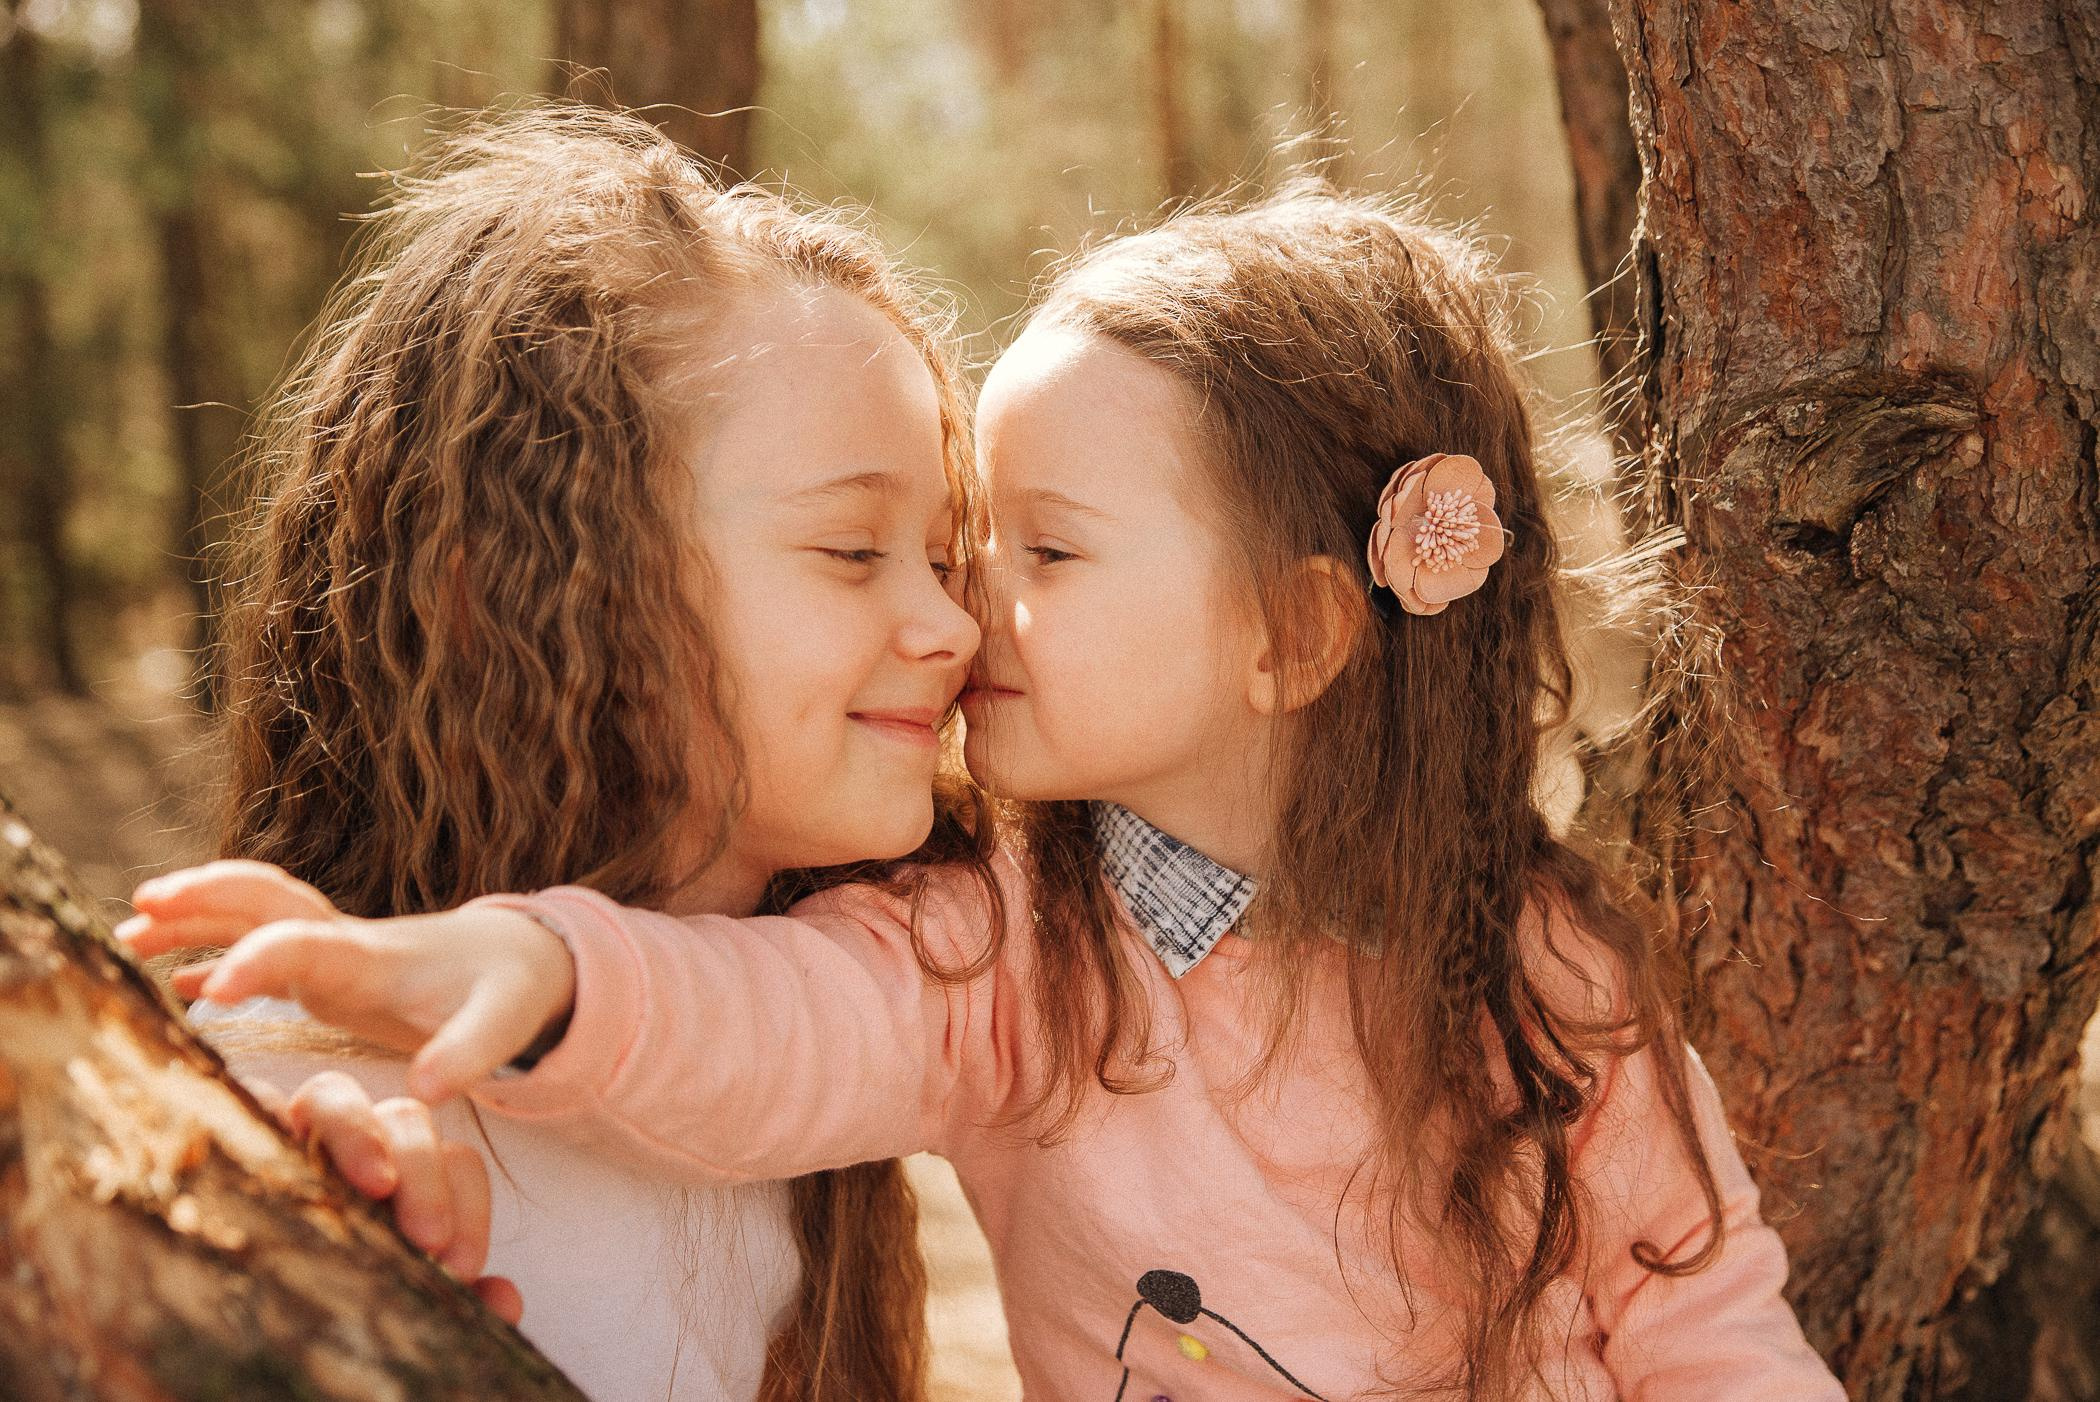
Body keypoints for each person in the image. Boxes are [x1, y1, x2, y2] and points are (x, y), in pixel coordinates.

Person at [129, 186, 1844, 1399]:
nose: (962, 618)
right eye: (895, 546)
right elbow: (779, 1020)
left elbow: (1707, 1314)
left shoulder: (1553, 979)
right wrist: (551, 968)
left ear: (1296, 630)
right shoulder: (1016, 953)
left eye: (1030, 552)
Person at [136, 101, 989, 1402]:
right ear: (516, 591)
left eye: (945, 555)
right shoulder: (299, 1105)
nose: (949, 623)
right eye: (852, 550)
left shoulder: (822, 1062)